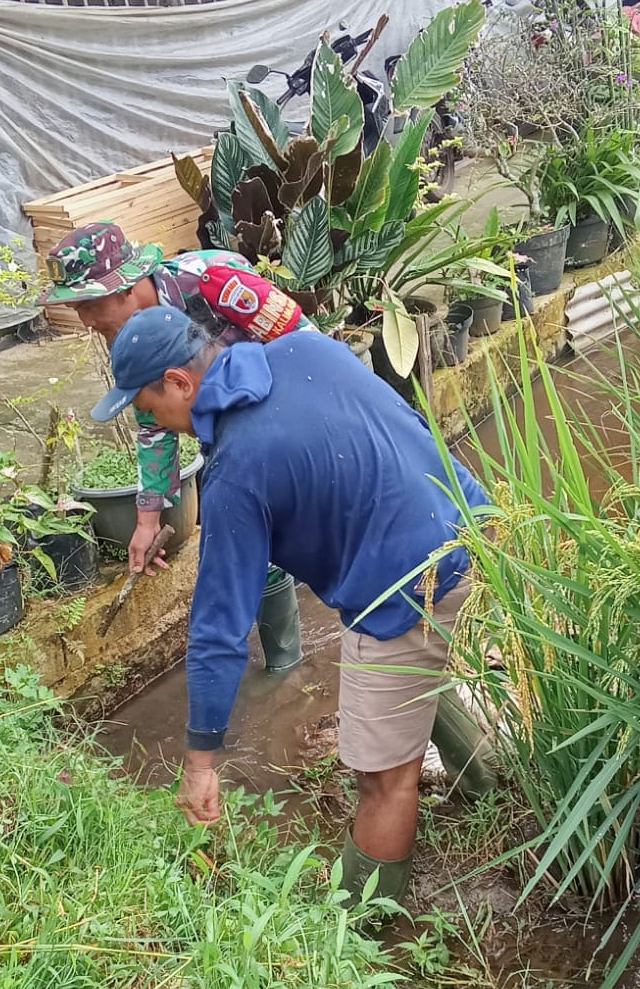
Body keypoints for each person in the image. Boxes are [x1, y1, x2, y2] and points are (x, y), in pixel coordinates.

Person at [92, 305, 490, 903]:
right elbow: (403, 423)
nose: (159, 424)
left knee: (383, 780)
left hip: (406, 584)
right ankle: (487, 783)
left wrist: (201, 761)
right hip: (480, 529)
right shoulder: (310, 351)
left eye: (150, 410)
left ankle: (363, 937)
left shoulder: (237, 473)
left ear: (179, 382)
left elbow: (220, 630)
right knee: (412, 673)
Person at [41, 221, 306, 580]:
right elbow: (154, 422)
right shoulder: (124, 333)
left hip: (289, 417)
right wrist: (146, 520)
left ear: (127, 286)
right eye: (77, 309)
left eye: (89, 304)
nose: (86, 320)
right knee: (254, 551)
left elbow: (305, 348)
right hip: (226, 433)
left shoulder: (214, 283)